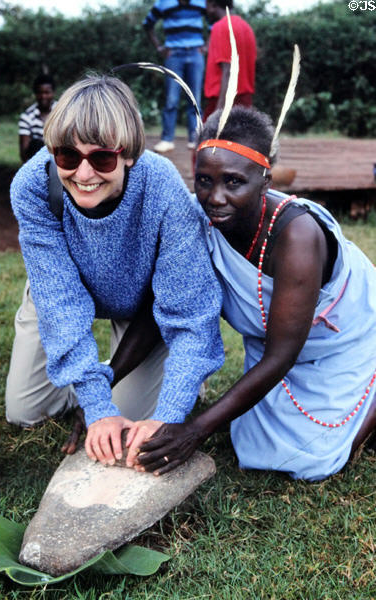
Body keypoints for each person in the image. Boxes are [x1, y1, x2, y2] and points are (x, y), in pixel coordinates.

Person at [137, 106, 376, 481]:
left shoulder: (297, 237)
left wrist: (196, 430)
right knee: (250, 446)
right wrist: (106, 378)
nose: (214, 197)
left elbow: (281, 355)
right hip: (275, 350)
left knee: (311, 462)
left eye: (233, 182)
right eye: (203, 180)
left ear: (265, 180)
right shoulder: (198, 222)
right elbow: (167, 307)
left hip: (344, 340)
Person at [7, 74, 224, 468]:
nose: (84, 174)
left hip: (139, 305)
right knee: (24, 411)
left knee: (138, 421)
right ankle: (86, 372)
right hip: (61, 287)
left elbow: (191, 314)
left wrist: (170, 413)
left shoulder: (163, 188)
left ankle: (160, 376)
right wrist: (96, 405)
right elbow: (60, 300)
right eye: (68, 157)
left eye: (102, 158)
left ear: (128, 153)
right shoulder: (32, 186)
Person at [143, 0, 208, 152]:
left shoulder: (201, 3)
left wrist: (207, 46)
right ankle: (167, 140)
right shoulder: (164, 3)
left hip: (195, 52)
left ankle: (196, 138)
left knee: (195, 98)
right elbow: (147, 24)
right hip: (174, 54)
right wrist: (159, 47)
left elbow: (214, 21)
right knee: (171, 99)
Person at [203, 0, 256, 122]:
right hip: (244, 100)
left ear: (213, 5)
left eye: (206, 5)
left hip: (221, 99)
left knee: (209, 140)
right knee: (241, 140)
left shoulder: (220, 27)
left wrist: (219, 111)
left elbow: (228, 71)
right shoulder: (246, 27)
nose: (205, 10)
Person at [18, 74, 56, 163]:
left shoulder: (64, 112)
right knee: (36, 144)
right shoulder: (27, 117)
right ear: (35, 94)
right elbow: (24, 152)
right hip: (36, 162)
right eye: (40, 93)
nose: (43, 96)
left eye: (47, 92)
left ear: (53, 93)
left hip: (59, 159)